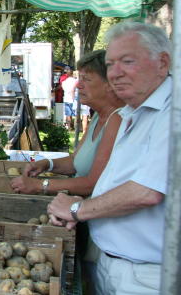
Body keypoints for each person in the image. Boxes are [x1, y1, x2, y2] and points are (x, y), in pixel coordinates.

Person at [47, 21, 171, 295]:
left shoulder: (173, 112)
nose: (116, 73)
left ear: (163, 63)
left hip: (147, 275)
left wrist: (78, 210)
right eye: (111, 64)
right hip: (115, 263)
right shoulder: (134, 112)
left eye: (127, 62)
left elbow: (146, 192)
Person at [10, 50, 123, 196]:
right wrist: (46, 164)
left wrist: (40, 185)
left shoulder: (117, 119)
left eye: (86, 79)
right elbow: (75, 161)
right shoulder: (97, 117)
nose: (78, 85)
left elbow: (92, 184)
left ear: (110, 84)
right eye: (79, 78)